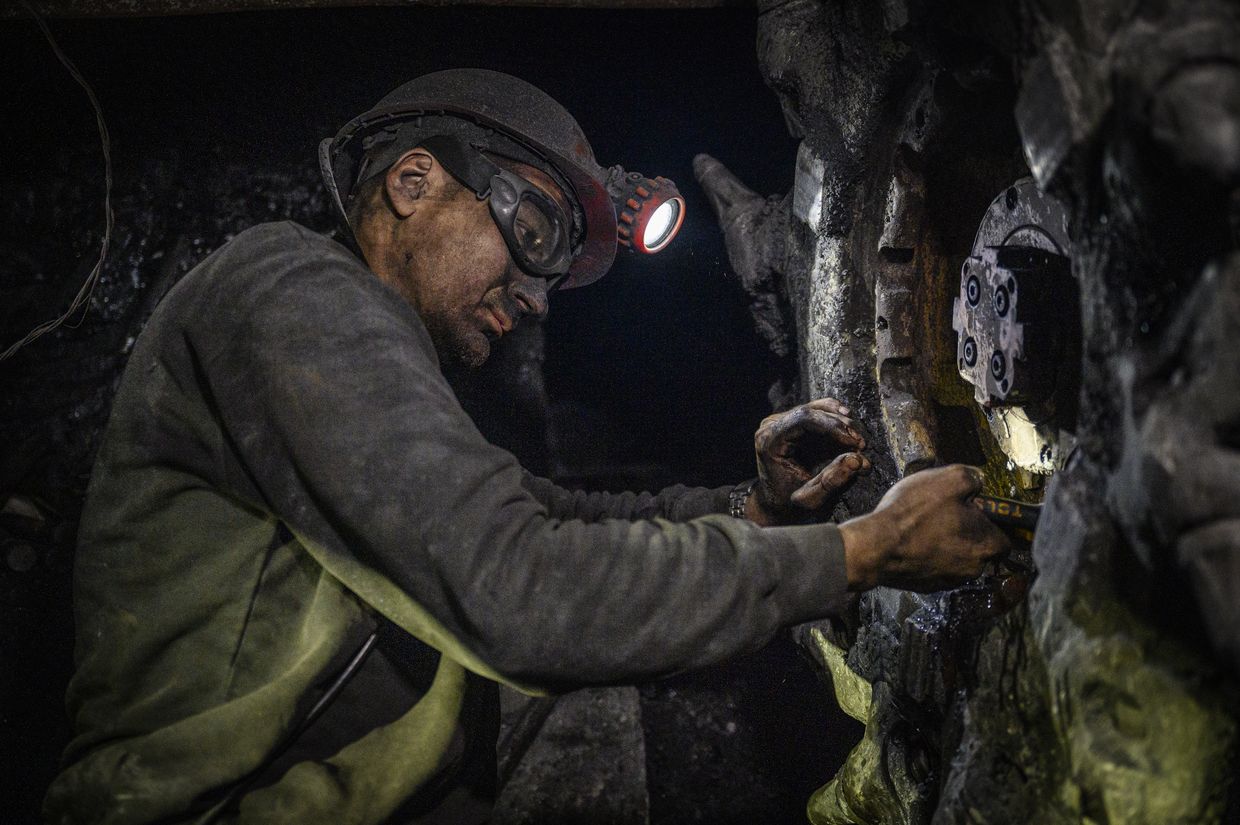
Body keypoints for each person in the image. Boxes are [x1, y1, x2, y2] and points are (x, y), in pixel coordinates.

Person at [43, 69, 1007, 825]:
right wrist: (857, 552)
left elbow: (546, 517)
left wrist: (750, 511)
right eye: (534, 230)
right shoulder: (290, 288)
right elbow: (520, 586)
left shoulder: (371, 370)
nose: (539, 296)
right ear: (413, 182)